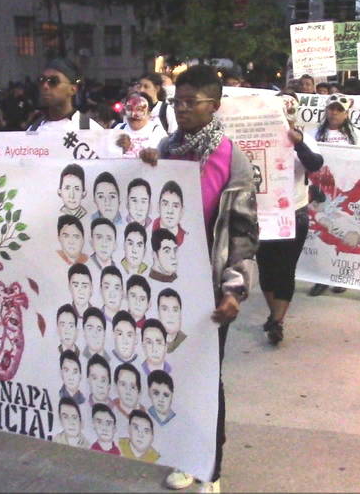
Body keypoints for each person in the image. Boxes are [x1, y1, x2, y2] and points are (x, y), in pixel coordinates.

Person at [139, 64, 259, 492]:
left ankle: (212, 466)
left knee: (207, 377)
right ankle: (185, 455)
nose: (183, 109)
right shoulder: (168, 148)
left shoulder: (232, 158)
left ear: (215, 105)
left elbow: (243, 233)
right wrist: (147, 166)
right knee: (172, 372)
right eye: (178, 101)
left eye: (192, 102)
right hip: (165, 285)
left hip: (209, 287)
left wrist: (234, 290)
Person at [258, 91, 324, 344]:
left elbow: (315, 163)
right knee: (265, 268)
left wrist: (298, 142)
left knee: (285, 269)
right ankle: (273, 313)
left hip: (293, 213)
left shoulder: (305, 138)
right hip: (263, 215)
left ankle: (277, 320)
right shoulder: (262, 136)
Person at [307, 93, 360, 296]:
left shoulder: (357, 136)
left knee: (344, 233)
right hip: (319, 193)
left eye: (339, 110)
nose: (334, 113)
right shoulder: (314, 133)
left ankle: (342, 276)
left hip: (344, 195)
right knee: (321, 235)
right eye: (331, 108)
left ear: (346, 113)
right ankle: (321, 278)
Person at [26, 58, 103, 134]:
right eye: (42, 80)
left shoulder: (92, 131)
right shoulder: (33, 131)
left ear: (73, 89)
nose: (45, 86)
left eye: (53, 81)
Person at [115, 92, 168, 156]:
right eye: (130, 109)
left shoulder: (157, 132)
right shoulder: (118, 129)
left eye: (139, 110)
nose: (133, 114)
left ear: (149, 112)